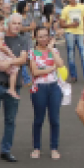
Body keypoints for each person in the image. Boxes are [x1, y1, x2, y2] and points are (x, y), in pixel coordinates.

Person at [0, 14, 30, 165]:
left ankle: (6, 150)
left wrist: (6, 62)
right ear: (7, 24)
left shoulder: (24, 40)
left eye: (19, 23)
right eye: (13, 23)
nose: (16, 26)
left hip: (13, 86)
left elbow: (23, 59)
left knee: (10, 120)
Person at [28, 26, 65, 160]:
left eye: (46, 36)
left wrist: (50, 49)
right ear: (36, 38)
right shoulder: (32, 52)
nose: (43, 39)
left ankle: (54, 147)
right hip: (39, 88)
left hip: (54, 87)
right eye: (40, 36)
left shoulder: (53, 50)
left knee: (54, 119)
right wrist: (51, 68)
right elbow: (35, 72)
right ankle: (36, 147)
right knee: (39, 118)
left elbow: (60, 64)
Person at [60, 0, 84, 83]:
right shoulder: (66, 9)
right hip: (70, 33)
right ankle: (73, 75)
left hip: (81, 33)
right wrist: (71, 24)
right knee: (71, 55)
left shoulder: (82, 7)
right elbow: (61, 23)